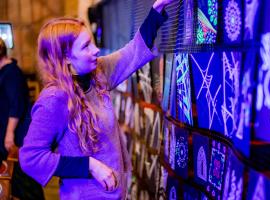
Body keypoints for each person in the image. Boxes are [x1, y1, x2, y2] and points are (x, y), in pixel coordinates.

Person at [19, 0, 173, 199]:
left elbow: (131, 53)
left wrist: (156, 9)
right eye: (85, 47)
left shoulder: (96, 73)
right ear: (65, 58)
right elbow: (30, 158)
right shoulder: (54, 99)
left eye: (91, 42)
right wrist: (89, 165)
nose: (95, 50)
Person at [0, 38, 45, 199]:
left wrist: (9, 133)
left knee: (24, 178)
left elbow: (16, 105)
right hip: (9, 134)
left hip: (16, 136)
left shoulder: (11, 73)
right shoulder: (5, 71)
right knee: (16, 181)